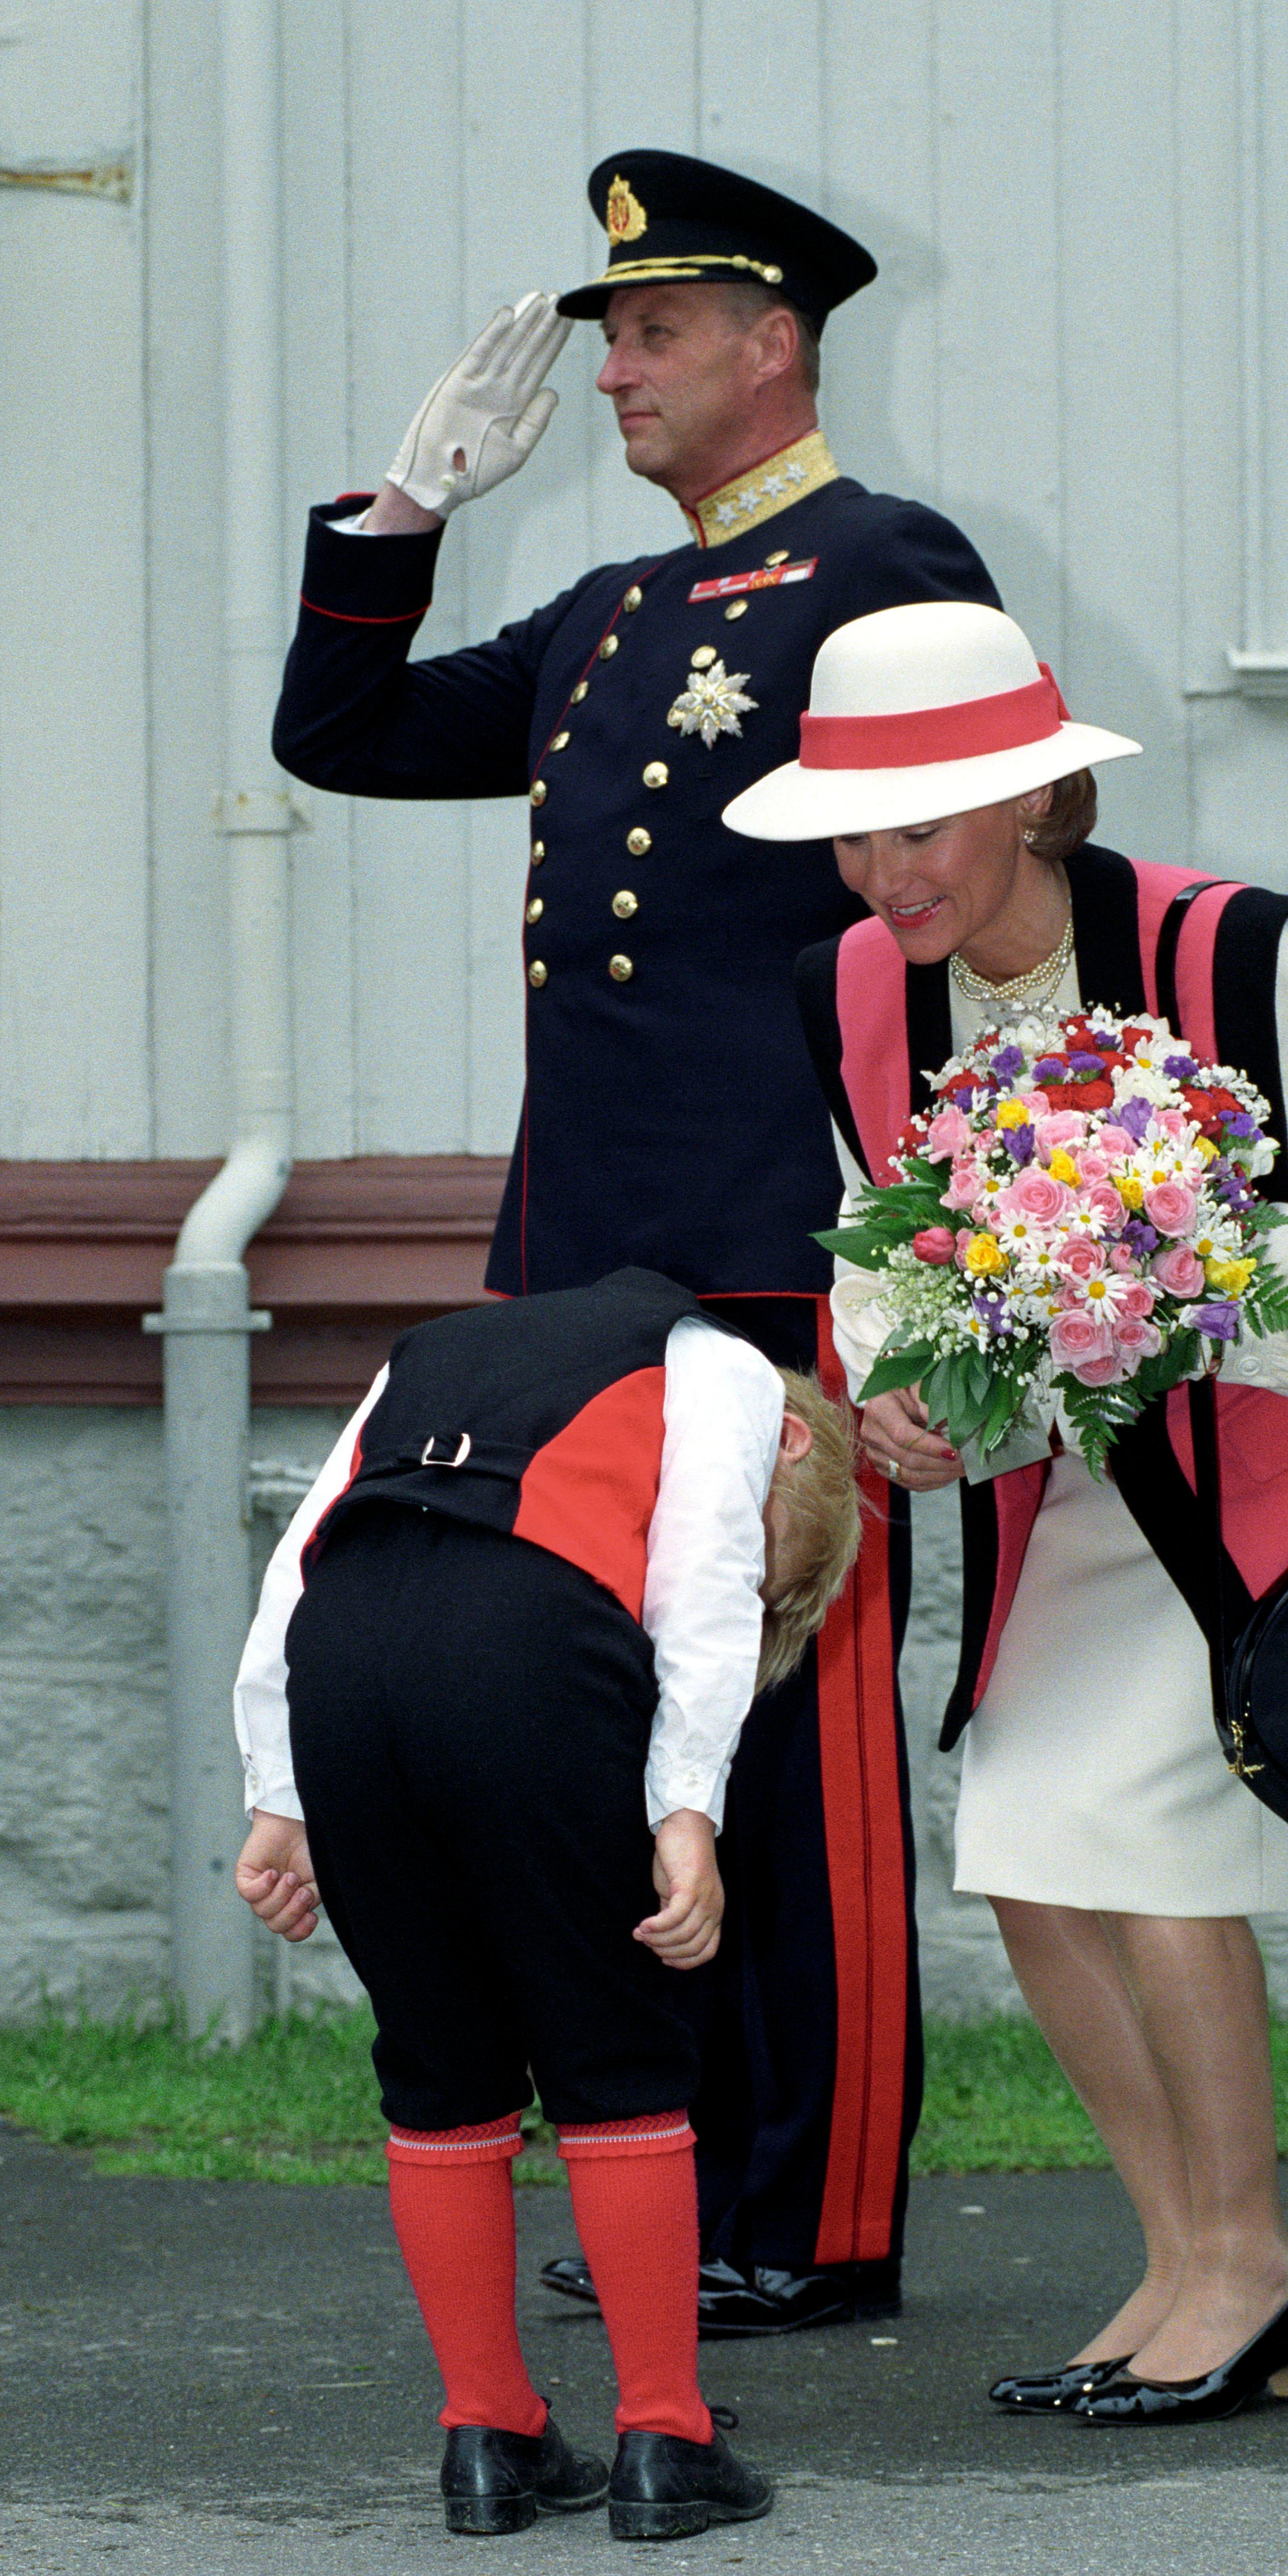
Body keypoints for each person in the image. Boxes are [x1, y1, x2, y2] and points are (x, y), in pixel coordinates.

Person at [270, 150, 1003, 2335]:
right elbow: (345, 735)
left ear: (775, 339)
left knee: (804, 1736)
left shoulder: (885, 565)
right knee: (633, 1715)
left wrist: (932, 1248)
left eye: (653, 330)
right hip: (594, 1271)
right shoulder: (607, 615)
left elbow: (953, 899)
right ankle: (683, 2174)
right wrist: (404, 525)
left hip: (790, 1251)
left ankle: (826, 2207)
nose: (611, 372)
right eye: (604, 336)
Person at [727, 602, 1288, 2425]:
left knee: (1144, 1853)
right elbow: (885, 1256)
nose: (877, 870)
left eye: (917, 825)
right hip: (1063, 1502)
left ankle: (1244, 2264)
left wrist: (1155, 1275)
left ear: (1029, 800)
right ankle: (1189, 2258)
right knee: (1024, 1857)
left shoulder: (1237, 952)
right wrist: (908, 1387)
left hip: (1268, 1481)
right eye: (852, 830)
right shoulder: (846, 994)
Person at [231, 1267, 861, 2535]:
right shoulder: (731, 1372)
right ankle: (667, 2438)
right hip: (527, 1652)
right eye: (789, 1575)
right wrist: (688, 1808)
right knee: (620, 2048)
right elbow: (700, 1576)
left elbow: (306, 1554)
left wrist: (282, 1791)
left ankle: (490, 2432)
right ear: (800, 1442)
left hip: (345, 1667)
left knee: (438, 2060)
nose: (767, 1606)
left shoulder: (435, 1345)